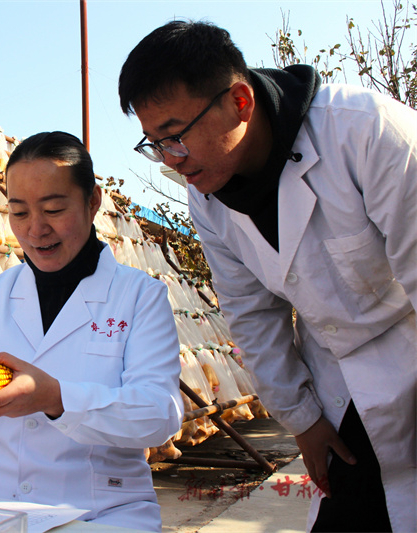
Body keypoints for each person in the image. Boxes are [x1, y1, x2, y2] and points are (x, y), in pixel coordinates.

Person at [119, 21, 416, 532]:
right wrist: (302, 418)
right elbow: (251, 312)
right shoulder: (208, 196)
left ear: (240, 102)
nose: (171, 159)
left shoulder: (366, 132)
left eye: (176, 135)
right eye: (155, 143)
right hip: (339, 385)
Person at [0, 131, 183, 531]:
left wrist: (56, 398)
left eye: (54, 209)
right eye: (19, 213)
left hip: (101, 511)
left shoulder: (139, 296)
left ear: (92, 201)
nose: (36, 229)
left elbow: (159, 414)